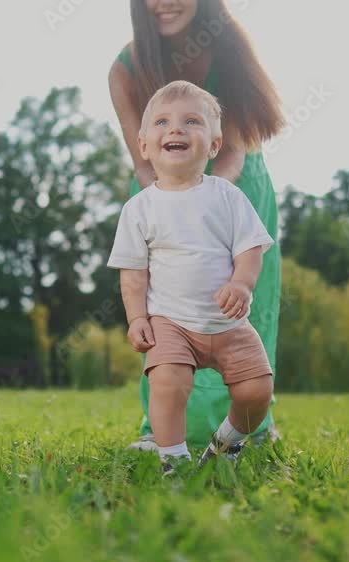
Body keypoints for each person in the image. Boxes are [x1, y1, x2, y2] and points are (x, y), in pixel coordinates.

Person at [108, 0, 285, 449]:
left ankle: (250, 428)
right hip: (159, 188)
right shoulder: (125, 69)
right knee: (165, 310)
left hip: (235, 186)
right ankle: (163, 431)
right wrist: (172, 203)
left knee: (242, 304)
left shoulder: (231, 48)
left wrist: (201, 202)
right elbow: (143, 160)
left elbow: (234, 152)